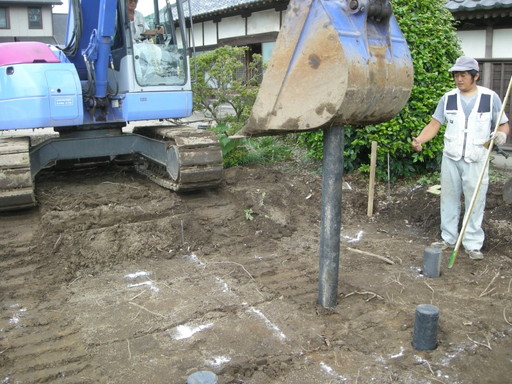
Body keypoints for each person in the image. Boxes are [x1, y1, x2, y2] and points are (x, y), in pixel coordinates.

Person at [412, 56, 510, 260]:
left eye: (463, 75)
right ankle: (448, 238)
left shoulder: (489, 98)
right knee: (448, 199)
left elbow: (503, 124)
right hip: (451, 158)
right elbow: (434, 124)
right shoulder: (448, 98)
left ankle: (472, 244)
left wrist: (501, 135)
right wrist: (420, 140)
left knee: (475, 202)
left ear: (475, 76)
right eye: (456, 75)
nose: (458, 79)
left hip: (476, 159)